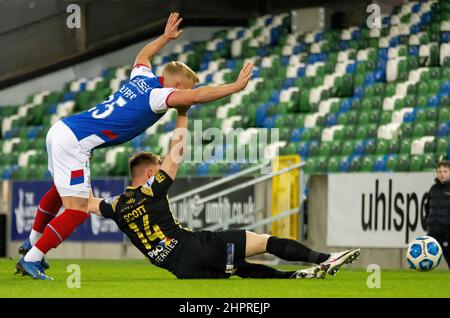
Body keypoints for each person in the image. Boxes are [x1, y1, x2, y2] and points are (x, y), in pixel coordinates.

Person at [15, 12, 254, 280]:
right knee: (79, 209)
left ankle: (31, 243)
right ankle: (33, 258)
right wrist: (235, 87)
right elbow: (198, 96)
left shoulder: (141, 79)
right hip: (75, 142)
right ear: (176, 85)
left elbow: (142, 56)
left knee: (60, 192)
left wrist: (164, 38)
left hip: (62, 129)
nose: (185, 95)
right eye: (184, 89)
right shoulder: (159, 95)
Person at [86, 107, 360, 280]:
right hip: (193, 247)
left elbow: (86, 202)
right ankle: (325, 259)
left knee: (237, 266)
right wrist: (182, 112)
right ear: (148, 174)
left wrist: (77, 163)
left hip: (183, 271)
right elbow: (176, 155)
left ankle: (293, 279)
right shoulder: (151, 190)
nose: (160, 171)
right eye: (157, 168)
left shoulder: (117, 205)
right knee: (262, 241)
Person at [425, 160, 450, 269]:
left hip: (447, 230)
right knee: (426, 255)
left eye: (445, 171)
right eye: (439, 171)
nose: (442, 174)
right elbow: (427, 207)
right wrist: (428, 222)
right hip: (433, 229)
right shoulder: (433, 189)